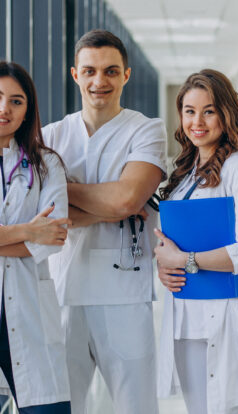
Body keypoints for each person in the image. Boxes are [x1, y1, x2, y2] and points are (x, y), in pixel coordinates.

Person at [42, 30, 167, 414]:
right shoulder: (49, 136)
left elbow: (128, 198)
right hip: (62, 292)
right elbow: (44, 217)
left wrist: (62, 186)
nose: (100, 81)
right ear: (75, 75)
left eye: (111, 71)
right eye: (90, 71)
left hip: (124, 294)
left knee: (136, 407)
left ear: (126, 75)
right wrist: (112, 203)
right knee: (62, 405)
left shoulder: (146, 129)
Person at [154, 69, 238, 414]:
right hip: (188, 316)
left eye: (208, 111)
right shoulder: (184, 172)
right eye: (190, 111)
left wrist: (184, 261)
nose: (198, 121)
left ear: (227, 113)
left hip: (230, 315)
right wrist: (165, 266)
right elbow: (173, 244)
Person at [0, 61, 71, 412]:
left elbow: (54, 236)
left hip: (29, 314)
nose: (5, 109)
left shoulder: (47, 164)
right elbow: (37, 235)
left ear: (28, 110)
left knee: (46, 406)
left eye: (16, 101)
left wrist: (31, 236)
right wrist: (27, 230)